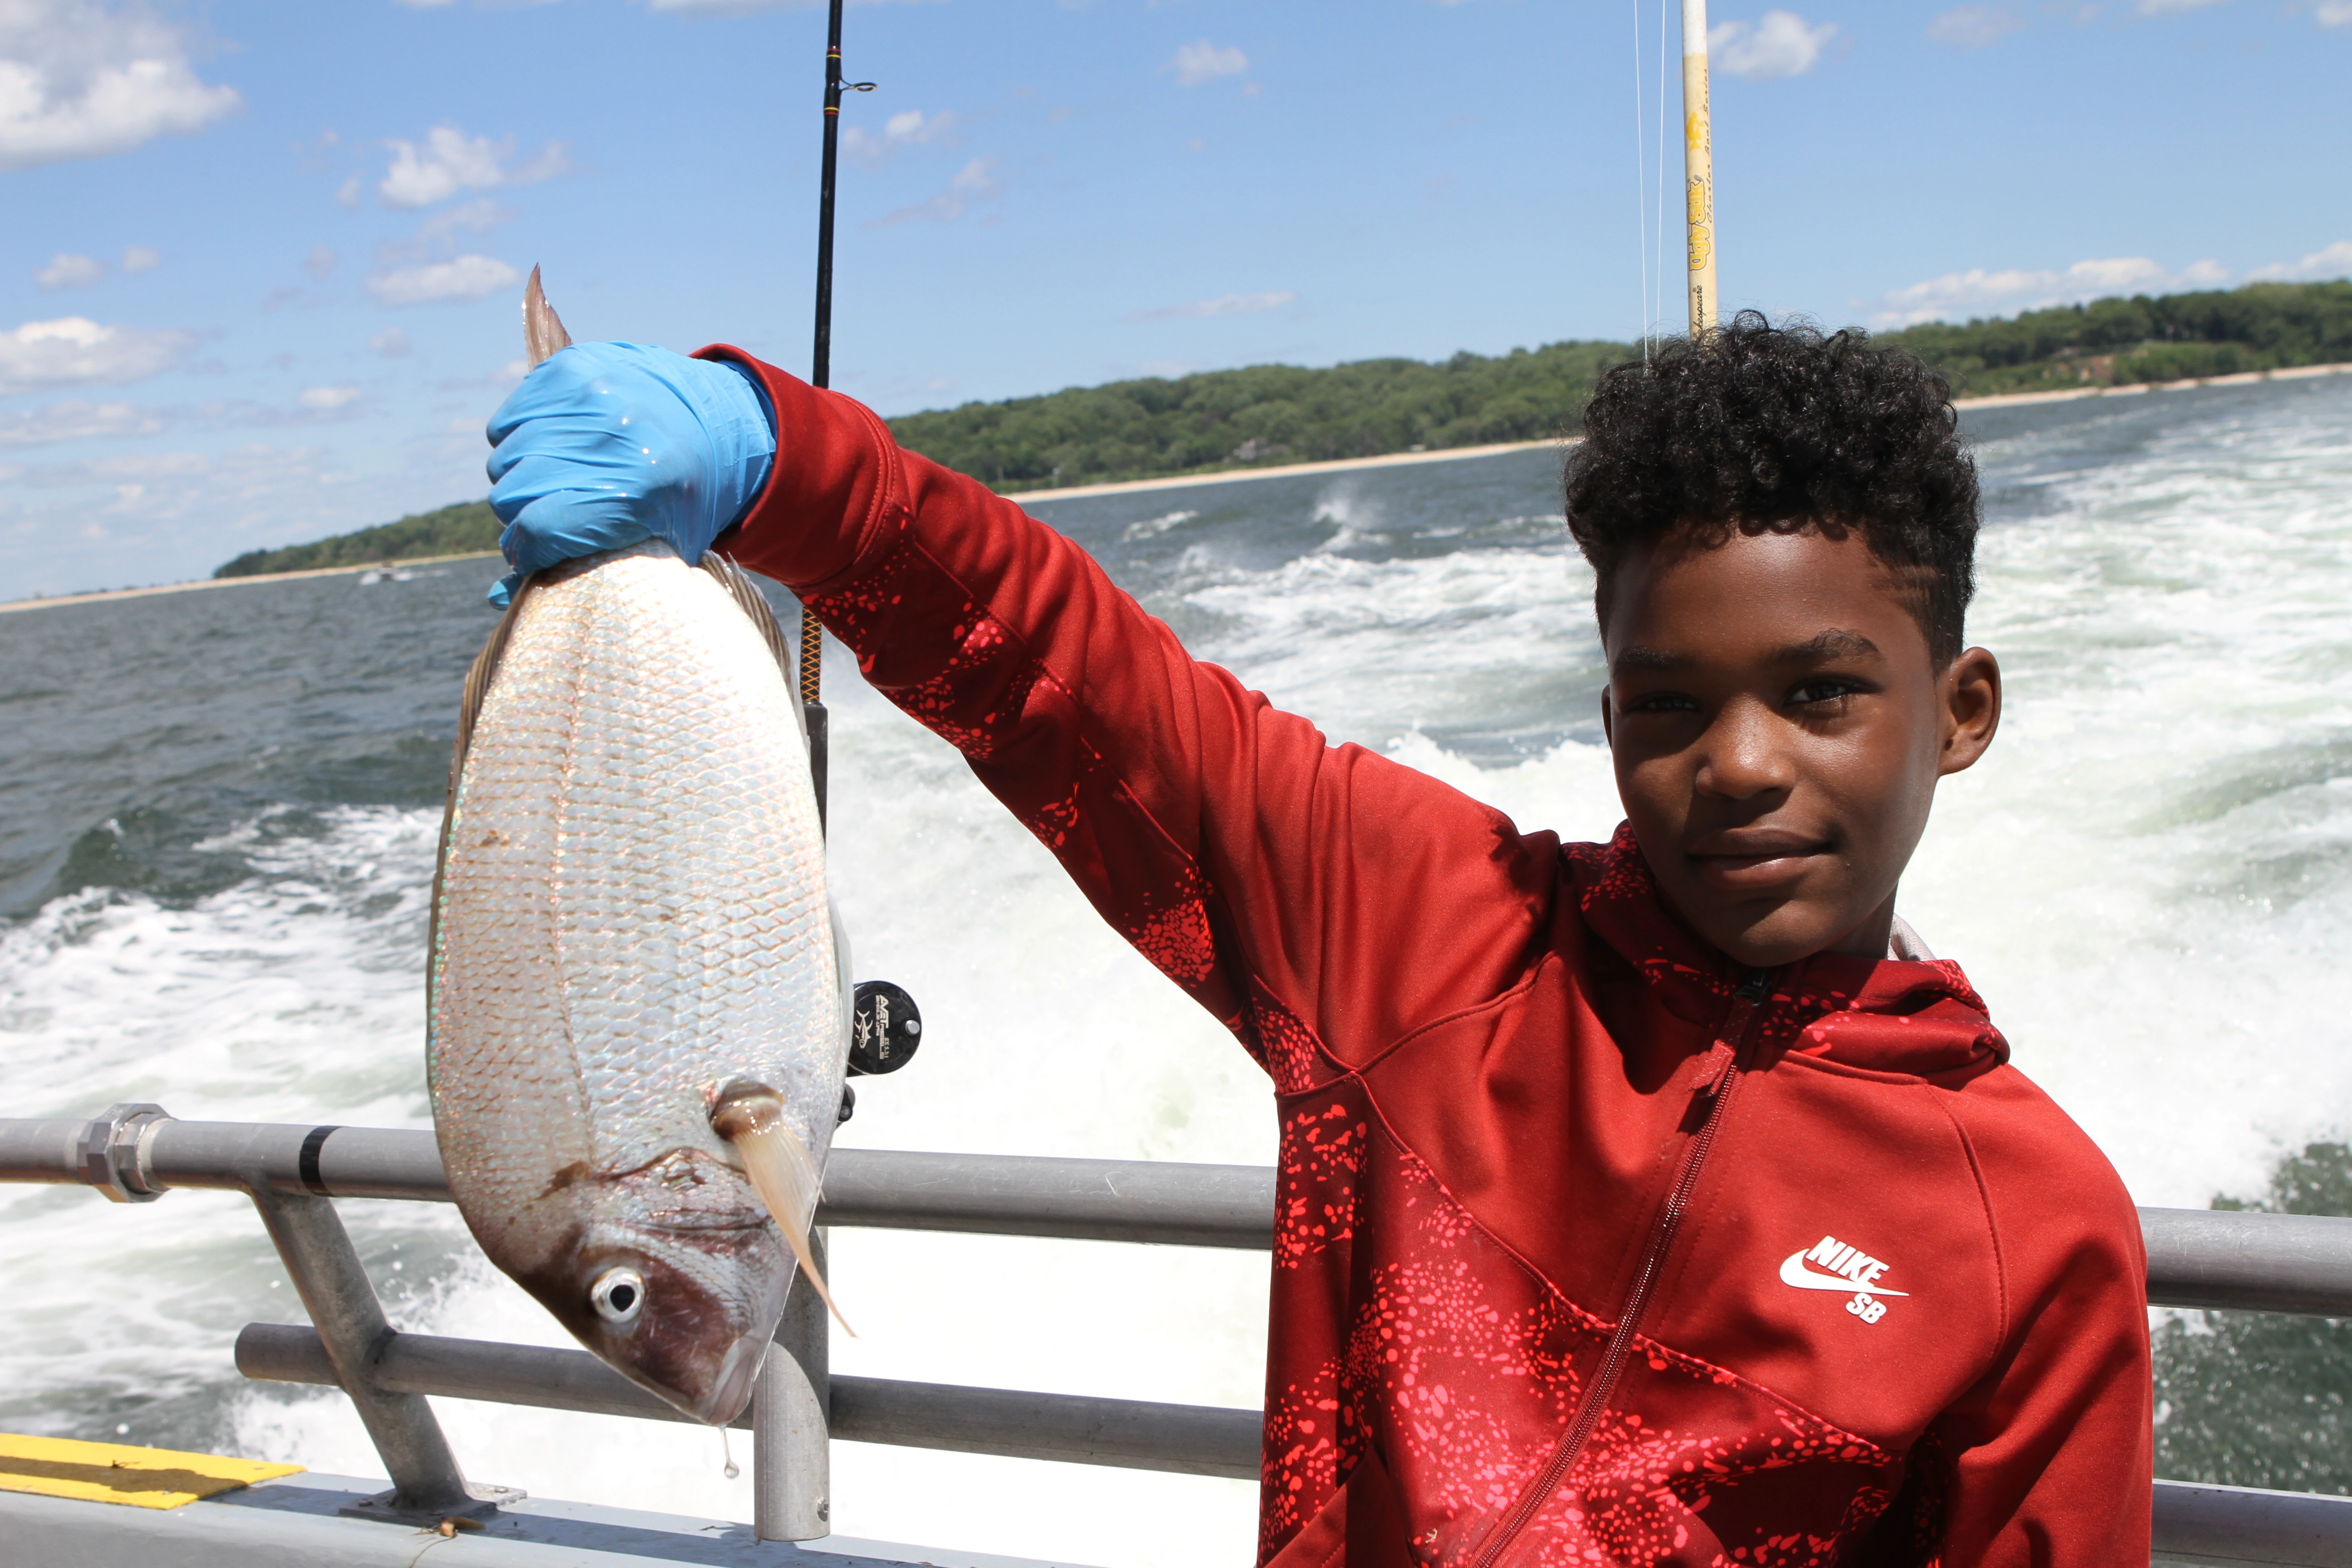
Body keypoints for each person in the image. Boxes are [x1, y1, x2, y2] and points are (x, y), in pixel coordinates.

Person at [484, 313, 2153, 1567]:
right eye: (1668, 705)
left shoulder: (2032, 1230)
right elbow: (1074, 681)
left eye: (1824, 693)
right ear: (1610, 713)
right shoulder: (1431, 936)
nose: (1736, 763)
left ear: (1962, 711)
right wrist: (774, 458)